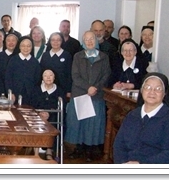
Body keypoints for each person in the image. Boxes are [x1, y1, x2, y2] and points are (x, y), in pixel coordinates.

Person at [65, 31, 111, 162]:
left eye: (92, 39)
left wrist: (95, 87)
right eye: (86, 39)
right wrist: (88, 87)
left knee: (94, 124)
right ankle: (78, 148)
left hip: (97, 95)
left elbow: (106, 75)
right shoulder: (77, 56)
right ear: (83, 41)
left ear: (96, 40)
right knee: (79, 124)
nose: (89, 41)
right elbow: (75, 76)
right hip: (80, 94)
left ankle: (90, 150)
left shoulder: (104, 57)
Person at [113, 72, 169, 164]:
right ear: (141, 90)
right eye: (148, 87)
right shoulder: (132, 115)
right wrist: (122, 164)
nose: (152, 92)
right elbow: (119, 145)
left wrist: (141, 165)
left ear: (164, 93)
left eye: (158, 89)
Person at [30, 69, 67, 160]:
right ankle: (36, 153)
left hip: (53, 116)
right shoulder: (36, 89)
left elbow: (61, 106)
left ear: (54, 78)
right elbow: (32, 104)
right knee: (36, 123)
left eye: (50, 75)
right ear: (42, 78)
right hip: (37, 115)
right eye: (45, 75)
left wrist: (49, 113)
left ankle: (49, 150)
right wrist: (39, 113)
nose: (48, 78)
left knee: (54, 123)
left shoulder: (60, 91)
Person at [4, 37, 41, 105]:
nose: (26, 48)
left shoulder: (35, 62)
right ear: (19, 47)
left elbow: (37, 79)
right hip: (14, 94)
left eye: (28, 46)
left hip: (31, 94)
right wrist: (10, 92)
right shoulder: (13, 60)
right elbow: (8, 78)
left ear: (31, 47)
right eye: (23, 46)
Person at [40, 32, 73, 99]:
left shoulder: (67, 55)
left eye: (58, 40)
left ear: (62, 41)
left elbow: (69, 74)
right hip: (47, 88)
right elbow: (41, 71)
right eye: (53, 40)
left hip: (62, 88)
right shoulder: (45, 55)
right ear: (50, 41)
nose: (55, 42)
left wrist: (69, 91)